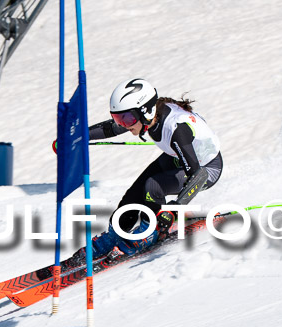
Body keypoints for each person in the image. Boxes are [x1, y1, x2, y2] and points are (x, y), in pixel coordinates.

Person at [65, 78, 222, 266]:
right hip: (177, 158)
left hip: (206, 168)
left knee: (153, 187)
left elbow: (198, 175)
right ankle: (115, 235)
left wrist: (174, 209)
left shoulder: (176, 129)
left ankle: (149, 233)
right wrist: (77, 137)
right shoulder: (150, 115)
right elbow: (111, 129)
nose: (123, 124)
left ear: (145, 111)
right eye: (118, 118)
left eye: (127, 119)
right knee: (133, 195)